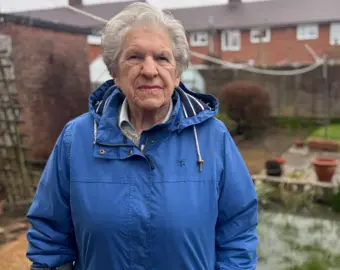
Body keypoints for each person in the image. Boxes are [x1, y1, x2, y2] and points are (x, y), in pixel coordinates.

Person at [25, 3, 258, 270]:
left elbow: (238, 232)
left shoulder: (211, 139)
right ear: (114, 71)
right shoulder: (76, 139)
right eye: (134, 57)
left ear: (178, 73)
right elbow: (50, 239)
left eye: (162, 58)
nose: (149, 70)